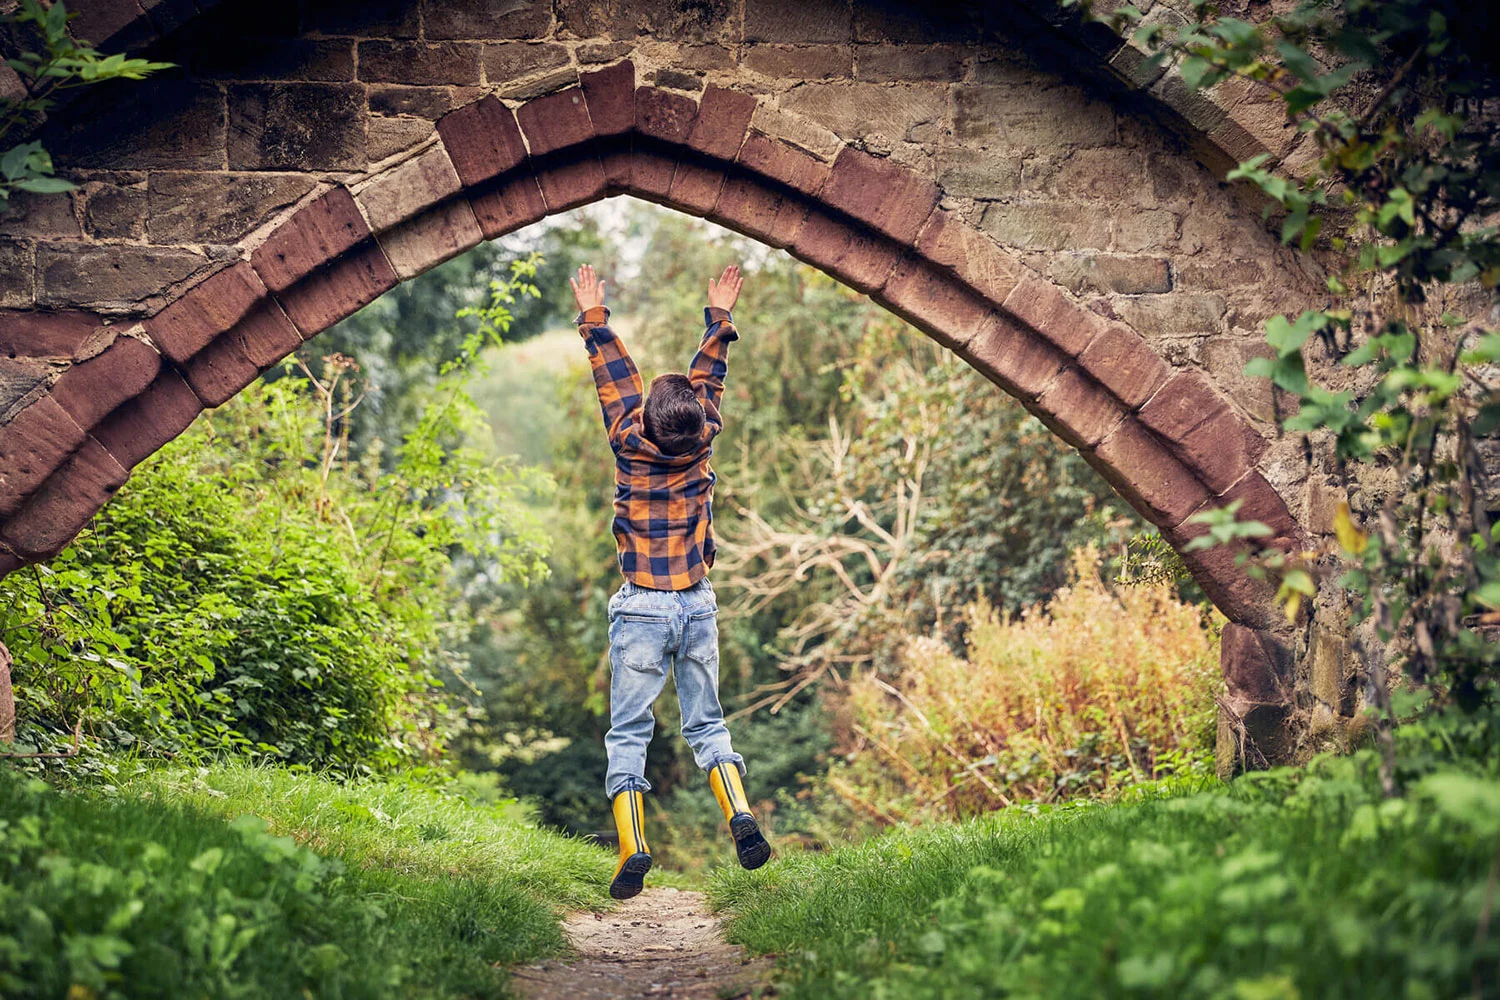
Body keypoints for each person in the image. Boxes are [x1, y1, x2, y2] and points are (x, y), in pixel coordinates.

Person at [571, 262, 771, 900]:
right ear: (696, 423)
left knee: (629, 732)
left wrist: (595, 319)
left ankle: (633, 846)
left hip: (641, 612)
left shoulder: (631, 442)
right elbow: (709, 381)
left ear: (646, 421)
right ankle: (739, 814)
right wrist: (719, 318)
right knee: (707, 724)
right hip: (697, 605)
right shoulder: (702, 440)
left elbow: (615, 382)